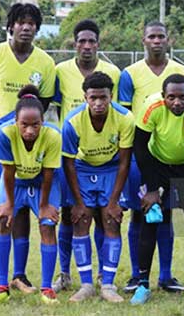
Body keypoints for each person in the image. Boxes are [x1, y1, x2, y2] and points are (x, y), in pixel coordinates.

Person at [0, 2, 56, 293]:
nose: (26, 27)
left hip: (29, 142)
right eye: (21, 22)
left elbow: (43, 104)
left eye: (32, 23)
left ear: (37, 28)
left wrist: (26, 132)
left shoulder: (45, 63)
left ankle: (20, 275)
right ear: (11, 26)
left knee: (20, 206)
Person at [50, 19, 122, 293]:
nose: (87, 46)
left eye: (92, 41)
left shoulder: (112, 72)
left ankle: (105, 277)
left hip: (106, 158)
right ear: (74, 43)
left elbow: (119, 112)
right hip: (73, 155)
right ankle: (65, 273)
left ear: (98, 43)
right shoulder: (60, 71)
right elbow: (53, 109)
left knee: (106, 217)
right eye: (82, 41)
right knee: (71, 216)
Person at [117, 21, 184, 292]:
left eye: (161, 36)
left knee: (168, 214)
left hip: (172, 156)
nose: (157, 41)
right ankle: (137, 275)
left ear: (168, 39)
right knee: (140, 214)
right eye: (152, 36)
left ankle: (167, 276)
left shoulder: (182, 72)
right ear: (143, 40)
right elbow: (125, 117)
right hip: (142, 156)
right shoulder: (130, 74)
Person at [130, 74, 184, 306]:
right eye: (171, 97)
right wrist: (152, 189)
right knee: (151, 217)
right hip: (156, 164)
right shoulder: (151, 106)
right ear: (162, 96)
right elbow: (140, 146)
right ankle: (143, 285)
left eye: (182, 97)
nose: (177, 102)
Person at [0, 85, 62, 304]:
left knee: (47, 224)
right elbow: (7, 172)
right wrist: (8, 203)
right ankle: (1, 285)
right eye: (24, 125)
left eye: (35, 124)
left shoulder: (54, 136)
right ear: (15, 122)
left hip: (42, 183)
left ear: (42, 122)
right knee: (3, 221)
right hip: (14, 182)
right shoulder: (4, 133)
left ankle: (47, 288)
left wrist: (45, 205)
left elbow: (48, 174)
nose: (29, 130)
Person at [61, 72, 133, 303]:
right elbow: (69, 164)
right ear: (85, 97)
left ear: (111, 96)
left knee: (112, 221)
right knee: (81, 221)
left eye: (103, 97)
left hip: (112, 169)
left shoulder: (125, 118)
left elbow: (124, 162)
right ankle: (86, 285)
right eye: (93, 98)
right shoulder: (72, 122)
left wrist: (113, 202)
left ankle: (108, 285)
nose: (98, 103)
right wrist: (79, 203)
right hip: (82, 170)